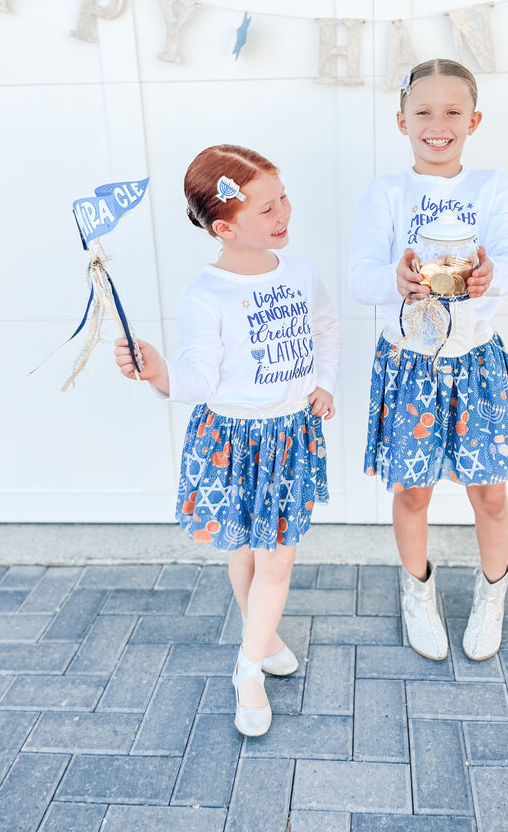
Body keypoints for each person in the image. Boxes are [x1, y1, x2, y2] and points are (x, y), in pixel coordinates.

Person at [115, 144, 341, 736]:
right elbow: (198, 381)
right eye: (267, 209)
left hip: (289, 434)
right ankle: (255, 653)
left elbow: (325, 326)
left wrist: (323, 382)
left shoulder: (300, 271)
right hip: (234, 438)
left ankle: (250, 659)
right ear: (225, 226)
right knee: (246, 551)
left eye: (283, 197)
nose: (284, 213)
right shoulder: (205, 296)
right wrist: (159, 372)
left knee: (278, 559)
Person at [349, 59, 508, 662]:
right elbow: (361, 276)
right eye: (423, 111)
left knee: (491, 494)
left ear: (473, 121)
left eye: (453, 112)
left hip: (475, 364)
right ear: (401, 121)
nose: (438, 123)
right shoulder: (387, 192)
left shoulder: (490, 187)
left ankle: (491, 594)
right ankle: (417, 594)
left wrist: (491, 275)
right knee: (414, 493)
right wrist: (394, 281)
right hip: (409, 367)